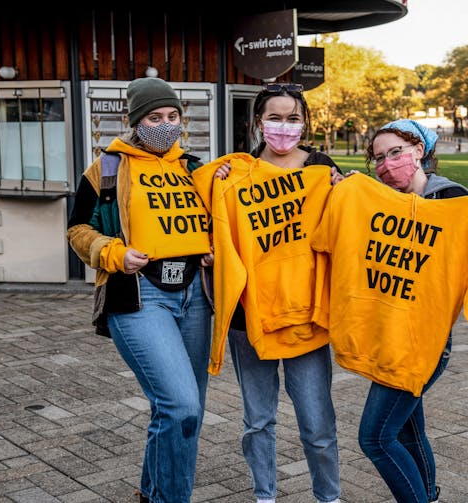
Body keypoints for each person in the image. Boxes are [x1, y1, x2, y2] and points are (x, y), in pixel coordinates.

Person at [317, 119, 468, 503]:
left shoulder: (452, 200)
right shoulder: (375, 199)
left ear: (419, 151)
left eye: (395, 152)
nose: (387, 164)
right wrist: (349, 191)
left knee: (375, 437)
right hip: (388, 336)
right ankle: (428, 495)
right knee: (406, 431)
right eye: (378, 158)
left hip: (423, 344)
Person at [67, 77, 214, 503]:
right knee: (182, 406)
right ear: (136, 121)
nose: (165, 125)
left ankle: (152, 493)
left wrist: (211, 252)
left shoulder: (192, 167)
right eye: (155, 117)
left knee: (182, 412)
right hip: (139, 295)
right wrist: (113, 253)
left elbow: (213, 224)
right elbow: (78, 229)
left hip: (194, 296)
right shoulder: (107, 168)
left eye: (173, 117)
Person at [208, 83, 343, 503]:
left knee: (317, 425)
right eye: (275, 117)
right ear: (258, 123)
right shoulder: (236, 172)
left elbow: (355, 223)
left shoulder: (323, 168)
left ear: (305, 123)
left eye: (293, 118)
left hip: (306, 314)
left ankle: (328, 497)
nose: (284, 126)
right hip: (250, 316)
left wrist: (346, 188)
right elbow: (207, 231)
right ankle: (264, 495)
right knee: (257, 421)